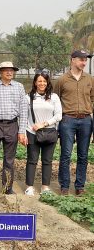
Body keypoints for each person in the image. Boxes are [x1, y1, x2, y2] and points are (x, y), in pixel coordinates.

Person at [0, 61, 28, 194]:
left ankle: (7, 187)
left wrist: (21, 131)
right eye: (6, 70)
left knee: (9, 158)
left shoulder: (19, 87)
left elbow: (23, 110)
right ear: (0, 72)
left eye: (11, 70)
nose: (9, 72)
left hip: (12, 125)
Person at [53, 50, 94, 196]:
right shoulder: (62, 80)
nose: (84, 62)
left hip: (85, 120)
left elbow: (93, 98)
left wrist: (89, 110)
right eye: (81, 59)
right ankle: (64, 186)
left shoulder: (89, 79)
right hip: (67, 120)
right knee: (66, 154)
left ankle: (80, 186)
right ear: (72, 60)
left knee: (83, 155)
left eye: (85, 60)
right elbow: (55, 100)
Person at [25, 71, 62, 196]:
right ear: (35, 82)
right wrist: (24, 132)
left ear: (48, 83)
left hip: (49, 132)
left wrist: (44, 123)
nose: (42, 83)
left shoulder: (54, 97)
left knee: (47, 160)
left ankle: (45, 187)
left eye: (44, 81)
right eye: (39, 81)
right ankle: (29, 186)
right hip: (32, 132)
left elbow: (58, 115)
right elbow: (24, 116)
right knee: (32, 160)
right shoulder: (28, 97)